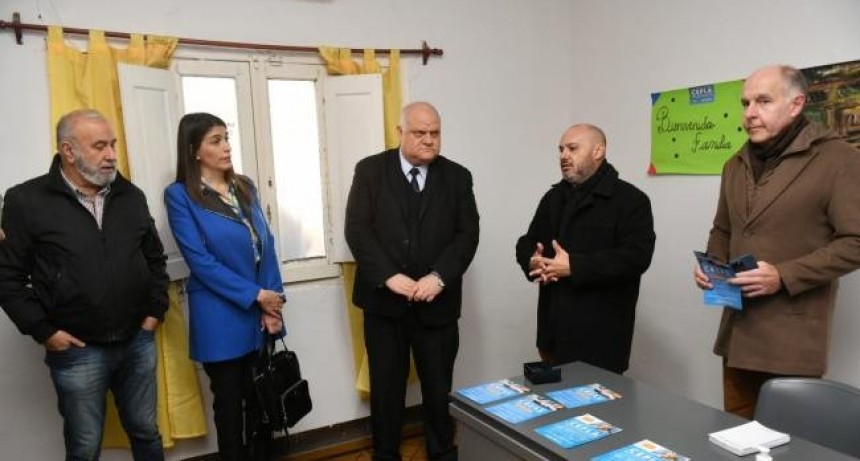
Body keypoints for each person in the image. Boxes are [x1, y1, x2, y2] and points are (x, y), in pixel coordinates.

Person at [0, 109, 169, 460]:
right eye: (99, 146)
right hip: (77, 350)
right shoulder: (26, 201)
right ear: (69, 151)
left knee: (146, 432)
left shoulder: (131, 195)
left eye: (113, 145)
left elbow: (155, 259)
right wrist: (45, 331)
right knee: (84, 447)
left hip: (137, 341)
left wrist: (154, 312)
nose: (111, 155)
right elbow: (7, 277)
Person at [694, 65, 860, 419]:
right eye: (746, 103)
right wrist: (712, 264)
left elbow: (855, 241)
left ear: (796, 104)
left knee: (788, 441)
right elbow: (723, 228)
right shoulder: (734, 163)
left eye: (763, 101)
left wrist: (783, 276)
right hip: (737, 335)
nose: (750, 113)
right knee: (734, 436)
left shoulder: (839, 159)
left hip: (793, 340)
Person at [345, 101, 480, 461]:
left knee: (438, 390)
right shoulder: (370, 171)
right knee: (386, 392)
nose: (429, 140)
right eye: (420, 133)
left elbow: (467, 235)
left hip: (438, 307)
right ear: (400, 132)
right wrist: (389, 276)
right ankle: (386, 455)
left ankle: (441, 453)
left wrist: (439, 277)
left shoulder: (458, 177)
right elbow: (357, 231)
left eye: (435, 133)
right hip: (384, 307)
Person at [164, 113, 285, 460]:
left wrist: (273, 304)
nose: (226, 147)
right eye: (215, 141)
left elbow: (266, 247)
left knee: (261, 401)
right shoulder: (180, 195)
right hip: (219, 316)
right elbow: (200, 261)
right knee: (230, 407)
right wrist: (256, 295)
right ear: (194, 150)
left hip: (260, 311)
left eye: (226, 138)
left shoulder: (245, 186)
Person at [515, 124, 655, 374]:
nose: (563, 156)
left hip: (601, 338)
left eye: (572, 148)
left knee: (599, 399)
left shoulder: (631, 200)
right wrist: (532, 259)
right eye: (560, 149)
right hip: (552, 334)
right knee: (551, 398)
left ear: (598, 151)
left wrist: (574, 266)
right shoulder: (553, 198)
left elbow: (636, 257)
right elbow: (527, 242)